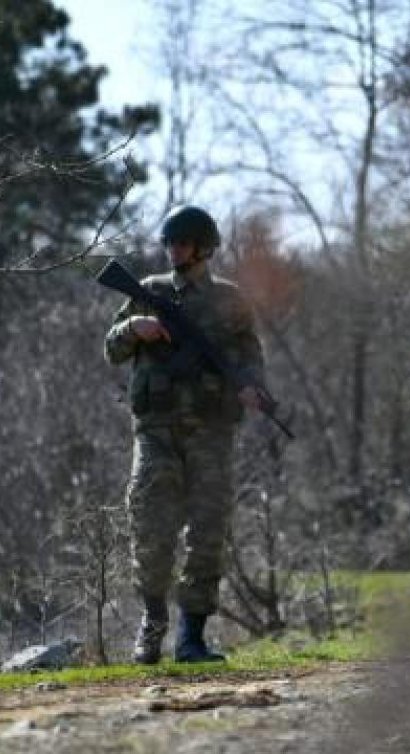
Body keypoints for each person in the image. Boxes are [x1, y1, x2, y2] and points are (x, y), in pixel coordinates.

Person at [103, 204, 268, 664]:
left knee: (208, 533)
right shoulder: (148, 292)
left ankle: (191, 637)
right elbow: (111, 349)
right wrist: (133, 327)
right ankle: (152, 625)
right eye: (170, 243)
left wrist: (254, 389)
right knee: (151, 529)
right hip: (156, 432)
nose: (174, 251)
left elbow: (251, 357)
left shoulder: (231, 301)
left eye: (183, 243)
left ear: (204, 247)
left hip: (213, 433)